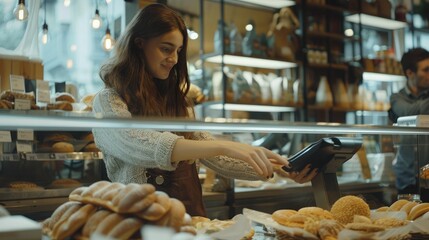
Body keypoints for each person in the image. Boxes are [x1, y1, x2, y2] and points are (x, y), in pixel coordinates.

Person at [92, 3, 317, 217]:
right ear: (139, 43)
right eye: (165, 49)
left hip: (191, 225)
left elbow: (215, 157)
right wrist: (225, 145)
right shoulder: (108, 100)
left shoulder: (177, 101)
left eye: (178, 50)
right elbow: (137, 144)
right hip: (139, 226)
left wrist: (278, 167)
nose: (174, 59)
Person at [388, 47, 429, 199]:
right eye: (426, 70)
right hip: (406, 179)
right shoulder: (397, 98)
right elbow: (409, 113)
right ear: (410, 73)